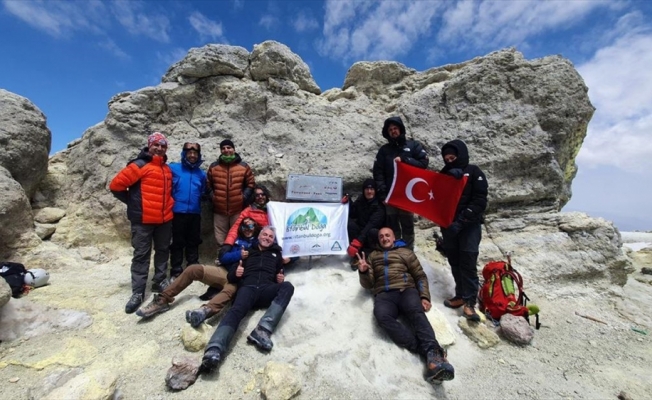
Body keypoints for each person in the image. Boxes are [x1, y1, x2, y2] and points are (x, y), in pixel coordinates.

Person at [356, 227, 454, 383]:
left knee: (415, 312)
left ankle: (433, 352)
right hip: (384, 295)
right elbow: (368, 284)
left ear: (394, 237)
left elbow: (420, 276)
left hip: (406, 290)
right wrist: (363, 272)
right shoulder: (373, 256)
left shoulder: (406, 253)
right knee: (382, 316)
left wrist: (424, 296)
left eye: (388, 235)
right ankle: (425, 351)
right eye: (381, 236)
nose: (384, 238)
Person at [135, 217, 260, 326]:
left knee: (229, 290)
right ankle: (163, 300)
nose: (248, 228)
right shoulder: (236, 241)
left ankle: (204, 311)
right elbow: (223, 257)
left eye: (251, 225)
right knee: (193, 269)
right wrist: (239, 255)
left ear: (256, 227)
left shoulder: (258, 244)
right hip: (224, 271)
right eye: (245, 225)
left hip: (237, 279)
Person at [201, 226, 294, 372]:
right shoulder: (247, 252)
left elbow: (279, 276)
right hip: (248, 288)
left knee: (288, 286)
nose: (267, 238)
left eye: (270, 236)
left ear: (273, 240)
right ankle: (214, 348)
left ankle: (262, 330)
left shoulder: (276, 255)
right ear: (259, 236)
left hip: (266, 290)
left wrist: (279, 279)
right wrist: (236, 273)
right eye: (265, 234)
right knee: (235, 311)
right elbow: (230, 277)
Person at [109, 132, 174, 314]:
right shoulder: (138, 165)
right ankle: (138, 292)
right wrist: (133, 203)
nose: (159, 148)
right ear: (149, 145)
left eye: (163, 146)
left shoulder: (166, 169)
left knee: (163, 250)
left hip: (164, 219)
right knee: (141, 255)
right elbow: (116, 186)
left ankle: (159, 281)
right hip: (143, 221)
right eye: (156, 145)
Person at [438, 139, 488, 322]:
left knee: (467, 263)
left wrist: (462, 220)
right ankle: (459, 295)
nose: (449, 159)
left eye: (452, 155)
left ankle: (470, 304)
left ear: (460, 154)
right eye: (446, 157)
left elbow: (480, 200)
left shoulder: (474, 172)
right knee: (455, 262)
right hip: (449, 228)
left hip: (469, 227)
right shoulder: (444, 174)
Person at [373, 116, 428, 250]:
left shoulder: (413, 145)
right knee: (392, 225)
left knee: (407, 225)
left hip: (408, 195)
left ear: (400, 129)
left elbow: (423, 164)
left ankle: (408, 253)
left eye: (395, 128)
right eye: (390, 129)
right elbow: (378, 173)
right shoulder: (384, 150)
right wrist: (382, 194)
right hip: (390, 195)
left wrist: (405, 160)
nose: (393, 131)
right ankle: (395, 253)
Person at [206, 139, 255, 259]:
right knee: (220, 237)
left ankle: (236, 258)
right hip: (219, 209)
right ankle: (221, 258)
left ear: (233, 149)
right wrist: (214, 197)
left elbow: (251, 183)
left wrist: (243, 197)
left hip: (237, 208)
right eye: (223, 148)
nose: (226, 150)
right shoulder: (214, 167)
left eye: (229, 147)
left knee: (238, 234)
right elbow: (208, 185)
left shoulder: (243, 166)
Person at [168, 142, 208, 280]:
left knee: (193, 240)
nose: (192, 155)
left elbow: (203, 190)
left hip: (194, 212)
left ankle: (193, 266)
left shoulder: (201, 174)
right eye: (189, 153)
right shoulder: (173, 168)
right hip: (177, 212)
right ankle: (176, 269)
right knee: (177, 241)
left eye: (195, 153)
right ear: (184, 154)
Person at [343, 178, 385, 269]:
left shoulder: (379, 207)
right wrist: (348, 201)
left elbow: (370, 225)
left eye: (372, 189)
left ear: (375, 191)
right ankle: (356, 256)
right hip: (361, 232)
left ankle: (367, 255)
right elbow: (353, 214)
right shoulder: (361, 200)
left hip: (371, 236)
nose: (369, 191)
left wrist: (357, 242)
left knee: (373, 232)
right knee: (350, 224)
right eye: (367, 189)